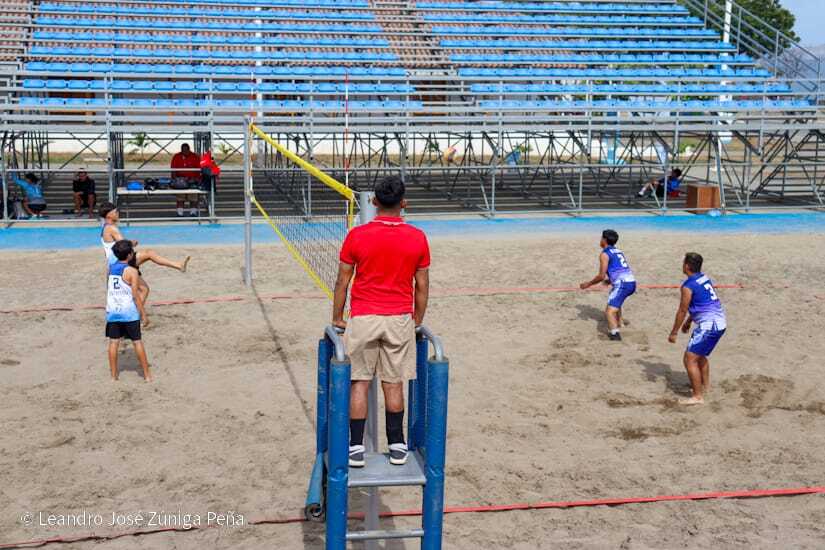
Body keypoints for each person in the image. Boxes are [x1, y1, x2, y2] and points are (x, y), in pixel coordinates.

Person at [332, 175, 430, 468]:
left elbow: (342, 282)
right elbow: (422, 286)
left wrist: (337, 317)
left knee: (359, 382)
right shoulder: (417, 237)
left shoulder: (357, 235)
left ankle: (355, 448)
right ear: (404, 203)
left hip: (364, 317)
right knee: (393, 383)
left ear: (374, 202)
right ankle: (397, 446)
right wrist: (417, 319)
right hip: (398, 318)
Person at [99, 202, 190, 311]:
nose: (118, 213)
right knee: (149, 257)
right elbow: (124, 245)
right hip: (121, 262)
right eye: (115, 211)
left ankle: (134, 313)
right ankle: (133, 313)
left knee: (144, 288)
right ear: (108, 215)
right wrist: (132, 243)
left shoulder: (106, 227)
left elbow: (115, 246)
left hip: (117, 262)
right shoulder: (111, 228)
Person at [668, 252, 727, 406]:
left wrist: (674, 332)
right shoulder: (704, 278)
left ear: (687, 266)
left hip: (710, 326)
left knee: (689, 358)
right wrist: (689, 322)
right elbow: (701, 303)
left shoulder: (688, 286)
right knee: (699, 356)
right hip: (719, 323)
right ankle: (705, 387)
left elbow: (682, 310)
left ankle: (697, 396)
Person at [106, 239, 153, 382]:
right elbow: (135, 295)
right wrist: (144, 315)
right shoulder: (132, 271)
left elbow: (109, 288)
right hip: (129, 312)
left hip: (113, 311)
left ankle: (113, 376)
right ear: (130, 255)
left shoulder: (110, 268)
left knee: (113, 343)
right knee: (137, 342)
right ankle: (147, 376)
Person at [579, 229, 636, 341]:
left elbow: (601, 276)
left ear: (604, 240)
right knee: (615, 297)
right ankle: (620, 322)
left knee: (609, 311)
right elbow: (620, 269)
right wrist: (610, 281)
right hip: (631, 282)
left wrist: (588, 284)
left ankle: (615, 335)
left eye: (601, 238)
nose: (600, 240)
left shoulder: (604, 254)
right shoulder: (618, 251)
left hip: (623, 284)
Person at [170, 143, 201, 217]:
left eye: (186, 150)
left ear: (189, 149)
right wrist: (175, 180)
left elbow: (199, 169)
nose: (185, 151)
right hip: (180, 181)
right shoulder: (176, 156)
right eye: (183, 150)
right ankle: (180, 213)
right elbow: (173, 169)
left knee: (193, 197)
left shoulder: (195, 156)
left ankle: (193, 213)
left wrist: (197, 180)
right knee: (180, 197)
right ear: (181, 150)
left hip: (192, 180)